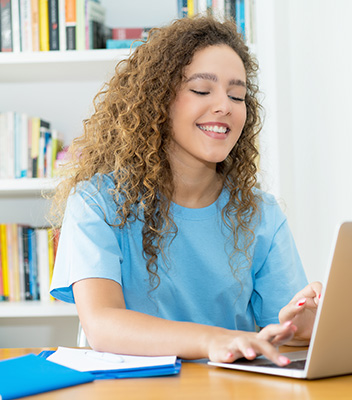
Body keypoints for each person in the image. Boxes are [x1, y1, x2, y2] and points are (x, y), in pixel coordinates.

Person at [49, 15, 321, 367]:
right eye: (201, 90)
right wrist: (215, 340)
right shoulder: (97, 202)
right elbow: (102, 324)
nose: (224, 105)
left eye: (237, 95)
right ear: (158, 101)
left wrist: (304, 326)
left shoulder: (262, 214)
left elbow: (283, 332)